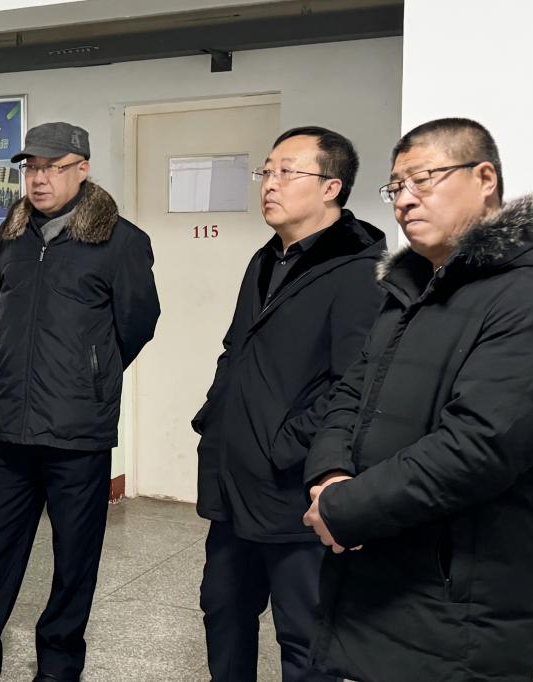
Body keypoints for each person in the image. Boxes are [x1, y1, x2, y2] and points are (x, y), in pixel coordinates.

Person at [302, 118, 533, 681]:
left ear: (485, 179)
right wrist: (331, 473)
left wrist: (344, 509)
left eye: (424, 179)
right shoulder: (410, 292)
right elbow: (352, 393)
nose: (404, 200)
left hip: (457, 605)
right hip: (375, 578)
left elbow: (478, 448)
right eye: (396, 186)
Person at [0, 122, 160, 682]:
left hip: (78, 427)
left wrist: (88, 374)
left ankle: (59, 661)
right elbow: (6, 310)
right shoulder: (12, 235)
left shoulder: (121, 241)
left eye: (53, 167)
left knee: (74, 555)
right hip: (12, 422)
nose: (39, 178)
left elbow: (138, 323)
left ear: (83, 169)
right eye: (31, 168)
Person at [192, 127, 386, 682]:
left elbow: (356, 384)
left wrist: (286, 445)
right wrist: (215, 418)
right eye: (267, 171)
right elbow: (235, 349)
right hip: (235, 481)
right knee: (223, 613)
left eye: (286, 172)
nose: (269, 184)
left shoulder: (361, 269)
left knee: (303, 636)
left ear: (331, 187)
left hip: (294, 489)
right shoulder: (267, 259)